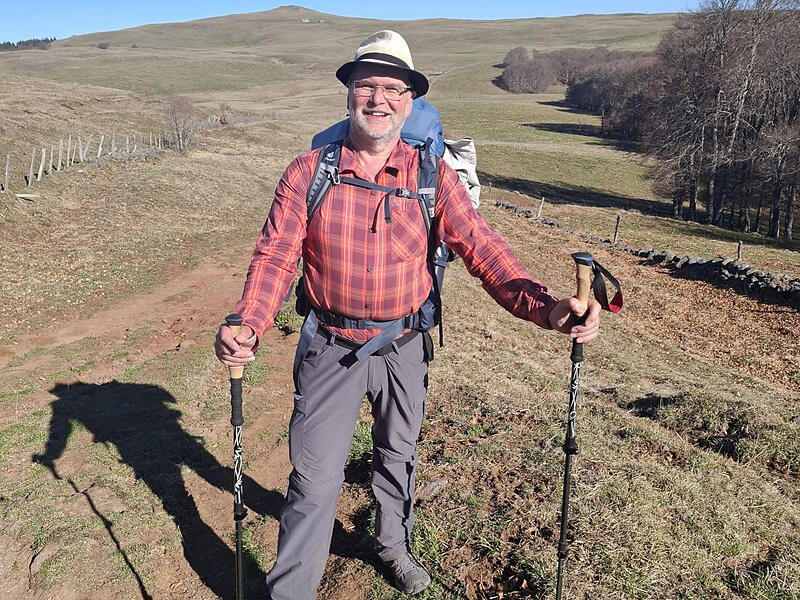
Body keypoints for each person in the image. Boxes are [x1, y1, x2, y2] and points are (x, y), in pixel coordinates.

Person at [215, 30, 601, 599]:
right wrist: (249, 321)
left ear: (411, 101)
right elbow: (275, 255)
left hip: (404, 347)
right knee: (314, 481)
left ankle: (392, 545)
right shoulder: (308, 172)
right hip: (330, 348)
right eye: (367, 86)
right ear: (349, 93)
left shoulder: (431, 175)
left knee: (398, 456)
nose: (379, 99)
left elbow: (483, 248)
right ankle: (290, 591)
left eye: (393, 89)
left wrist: (547, 309)